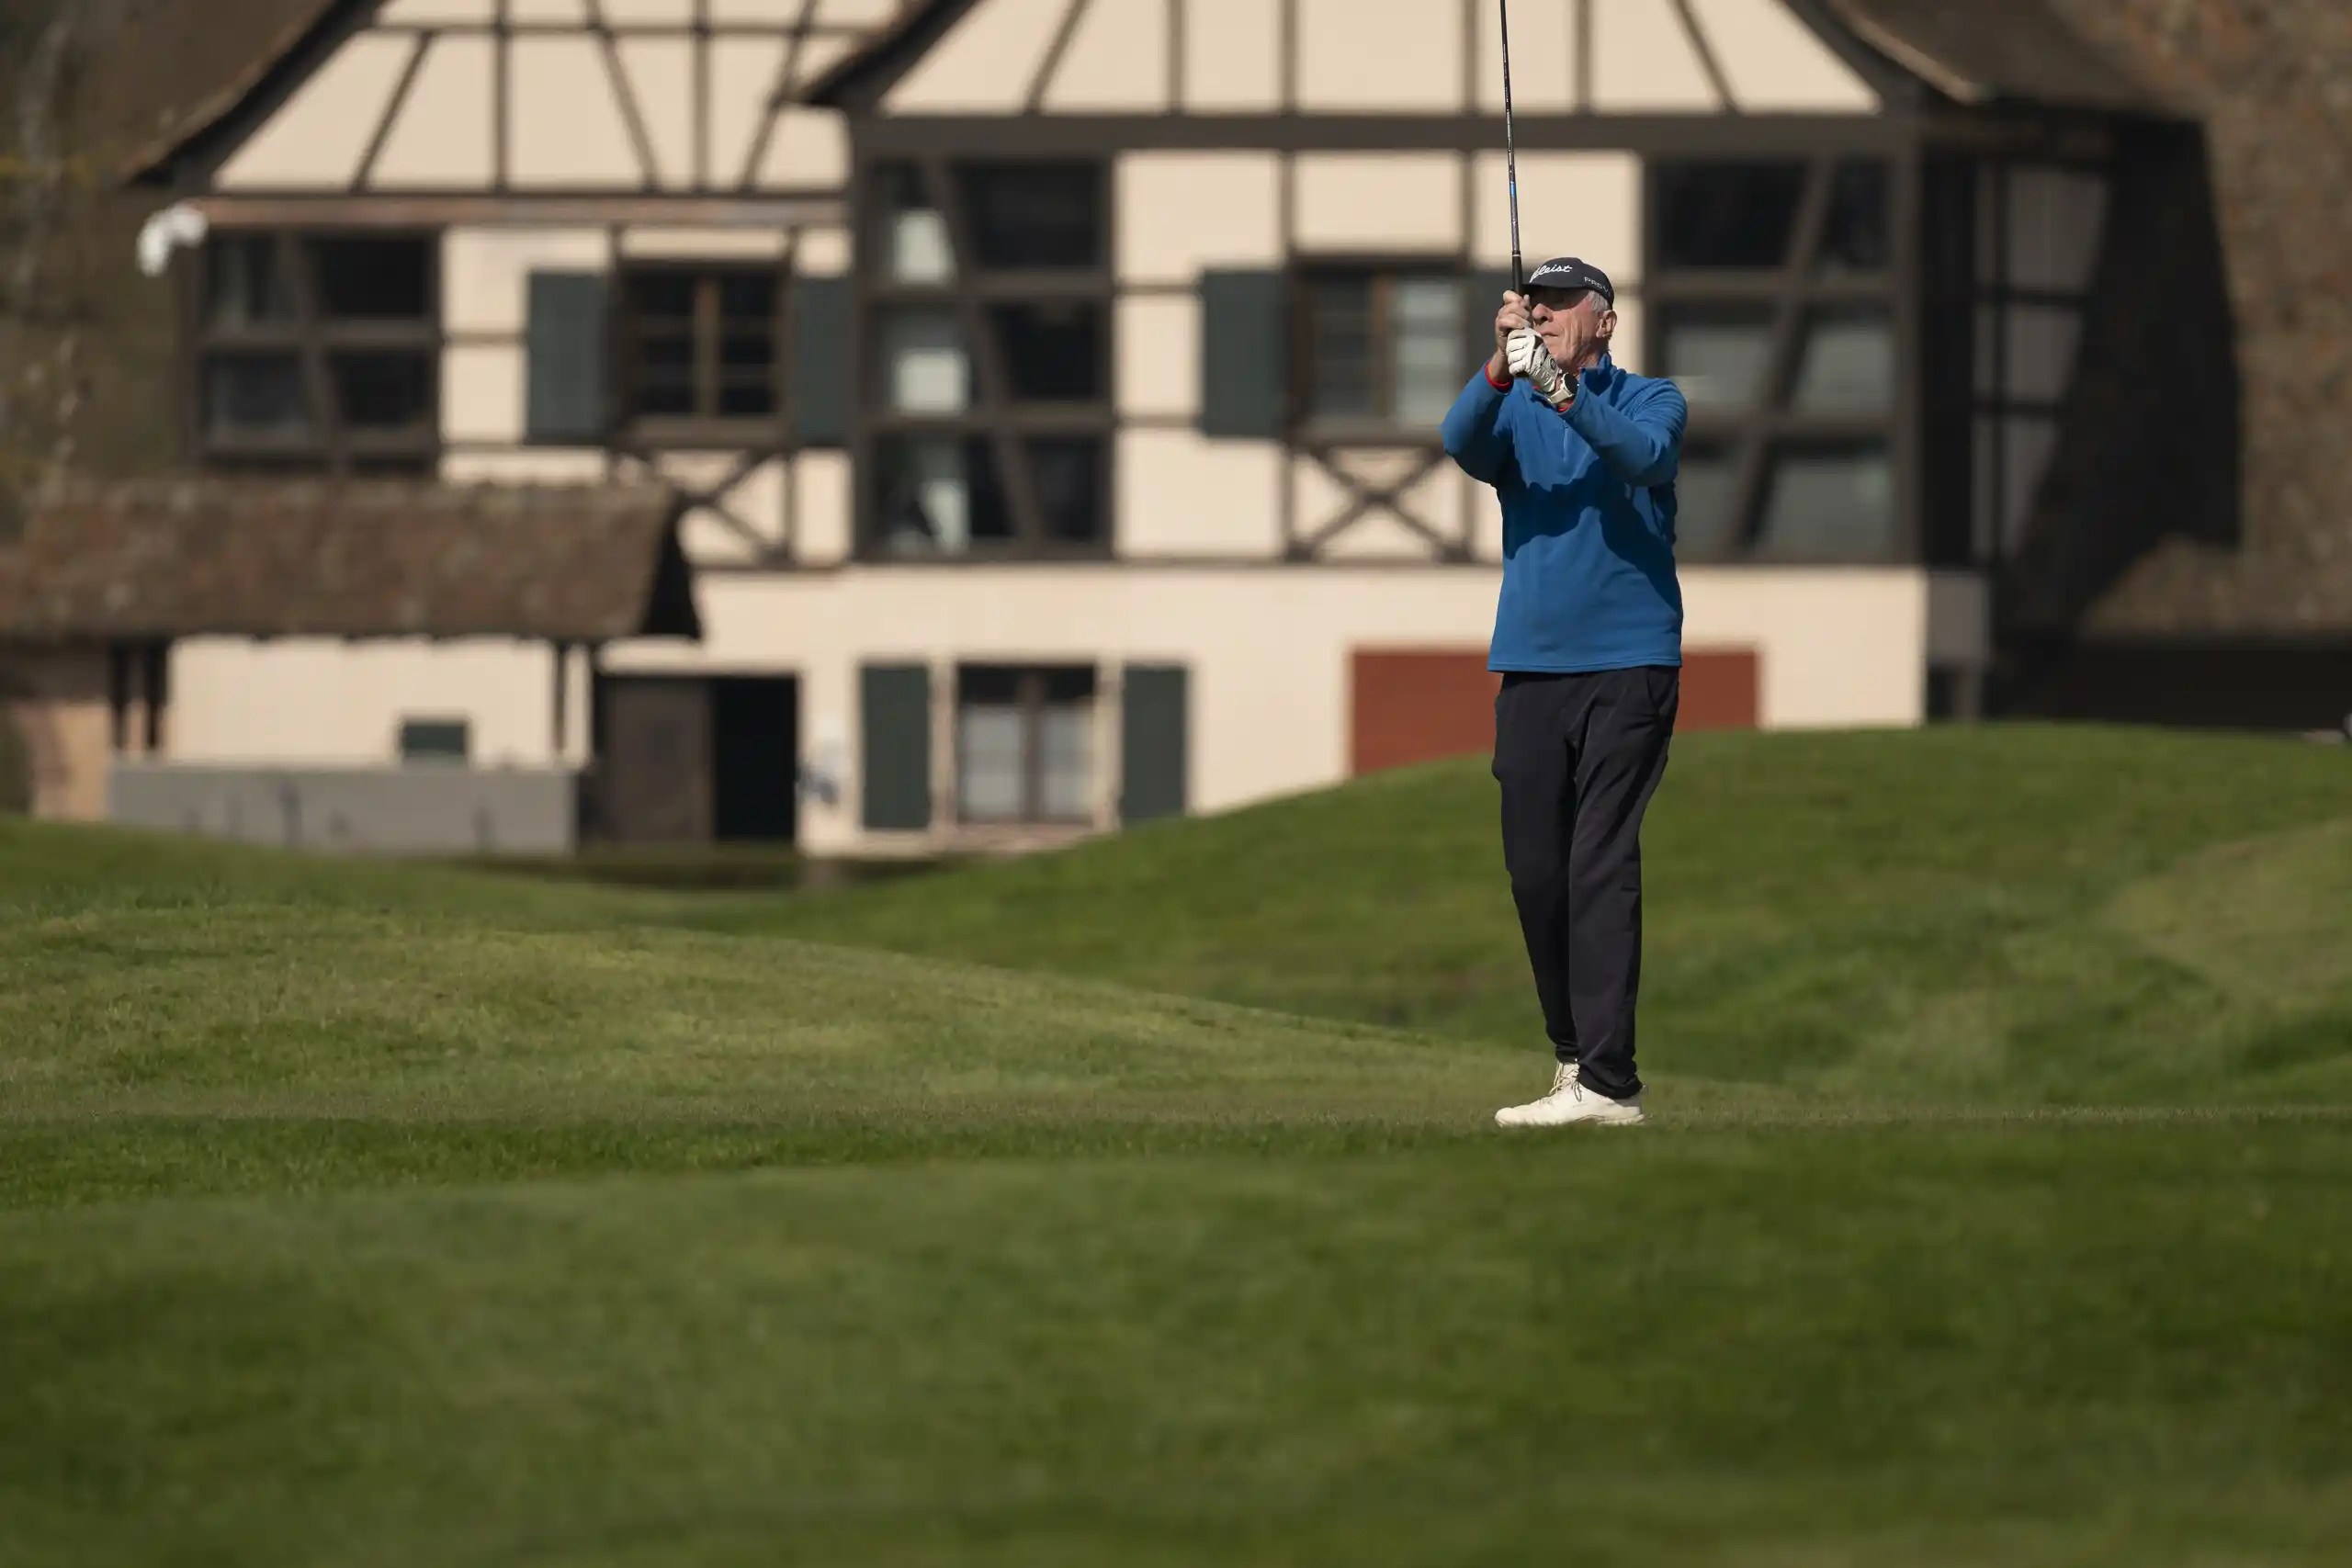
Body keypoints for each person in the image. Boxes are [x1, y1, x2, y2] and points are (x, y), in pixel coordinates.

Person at [1439, 256, 1688, 1128]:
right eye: (1532, 307)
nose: (1541, 316)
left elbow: (1644, 457)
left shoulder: (1653, 398)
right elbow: (1459, 440)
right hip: (1532, 665)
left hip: (1630, 663)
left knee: (1600, 862)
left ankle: (1612, 1083)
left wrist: (1565, 394)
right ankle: (1575, 1055)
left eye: (1558, 306)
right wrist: (1500, 366)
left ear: (1605, 321)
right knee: (1536, 872)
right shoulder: (1512, 405)